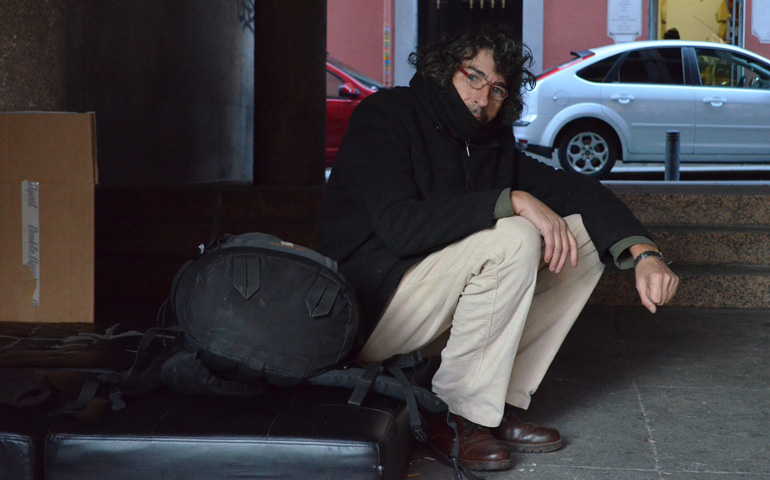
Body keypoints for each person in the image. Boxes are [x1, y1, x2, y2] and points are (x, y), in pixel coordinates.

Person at [316, 25, 679, 472]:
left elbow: (578, 192)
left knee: (580, 236)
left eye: (498, 89)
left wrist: (644, 253)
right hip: (370, 307)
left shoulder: (489, 142)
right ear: (445, 70)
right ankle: (456, 416)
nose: (483, 98)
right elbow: (399, 226)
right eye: (473, 77)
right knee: (515, 234)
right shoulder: (387, 114)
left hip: (436, 303)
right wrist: (511, 201)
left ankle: (493, 405)